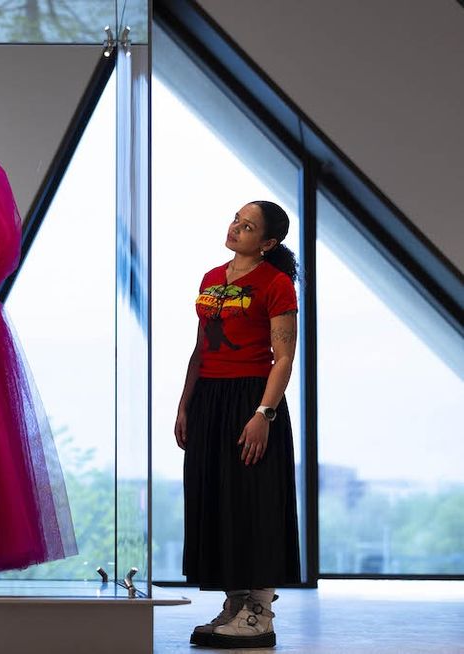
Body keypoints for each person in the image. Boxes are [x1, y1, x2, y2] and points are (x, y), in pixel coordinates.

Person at [175, 200, 301, 649]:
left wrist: (263, 414)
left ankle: (260, 613)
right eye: (236, 219)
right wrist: (186, 403)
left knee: (255, 500)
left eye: (248, 227)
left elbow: (284, 356)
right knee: (218, 499)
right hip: (209, 395)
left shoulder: (276, 283)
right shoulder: (211, 278)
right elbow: (200, 348)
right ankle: (235, 604)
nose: (236, 228)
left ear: (268, 243)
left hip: (252, 398)